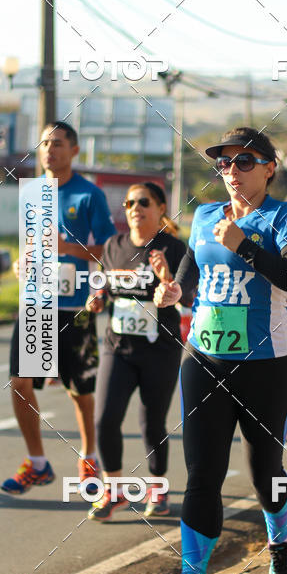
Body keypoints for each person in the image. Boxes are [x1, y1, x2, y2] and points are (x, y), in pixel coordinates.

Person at [154, 127, 287, 574]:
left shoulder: (285, 218)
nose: (232, 172)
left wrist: (245, 246)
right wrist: (175, 291)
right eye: (224, 163)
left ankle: (280, 537)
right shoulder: (204, 216)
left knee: (265, 473)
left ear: (270, 167)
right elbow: (192, 272)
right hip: (205, 360)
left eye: (245, 162)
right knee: (203, 473)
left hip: (267, 368)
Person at [1, 121, 116, 495]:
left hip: (73, 306)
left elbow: (107, 250)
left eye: (59, 143)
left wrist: (69, 249)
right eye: (45, 143)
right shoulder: (31, 192)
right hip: (37, 302)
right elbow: (31, 242)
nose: (50, 149)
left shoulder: (89, 195)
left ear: (75, 151)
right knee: (20, 383)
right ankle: (37, 463)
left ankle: (89, 458)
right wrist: (23, 264)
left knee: (79, 391)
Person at [85, 183, 187, 521]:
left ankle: (158, 492)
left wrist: (167, 278)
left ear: (160, 208)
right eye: (129, 202)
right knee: (104, 419)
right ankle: (113, 491)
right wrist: (97, 298)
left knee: (151, 423)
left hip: (160, 349)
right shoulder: (114, 246)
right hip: (118, 346)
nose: (135, 208)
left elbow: (187, 295)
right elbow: (103, 282)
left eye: (143, 202)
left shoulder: (174, 248)